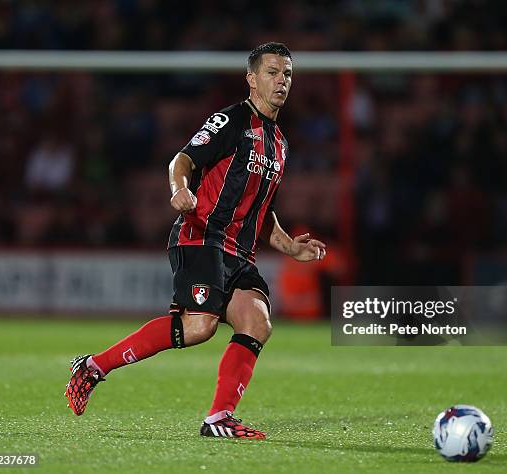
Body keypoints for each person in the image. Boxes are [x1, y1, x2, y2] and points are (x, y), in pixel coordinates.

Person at [65, 42, 327, 439]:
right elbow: (182, 160)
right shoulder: (232, 121)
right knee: (199, 326)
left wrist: (291, 246)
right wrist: (179, 189)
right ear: (251, 79)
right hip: (201, 237)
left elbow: (261, 208)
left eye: (287, 74)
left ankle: (218, 417)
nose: (281, 81)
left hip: (240, 251)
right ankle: (93, 367)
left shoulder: (280, 144)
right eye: (272, 72)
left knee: (257, 320)